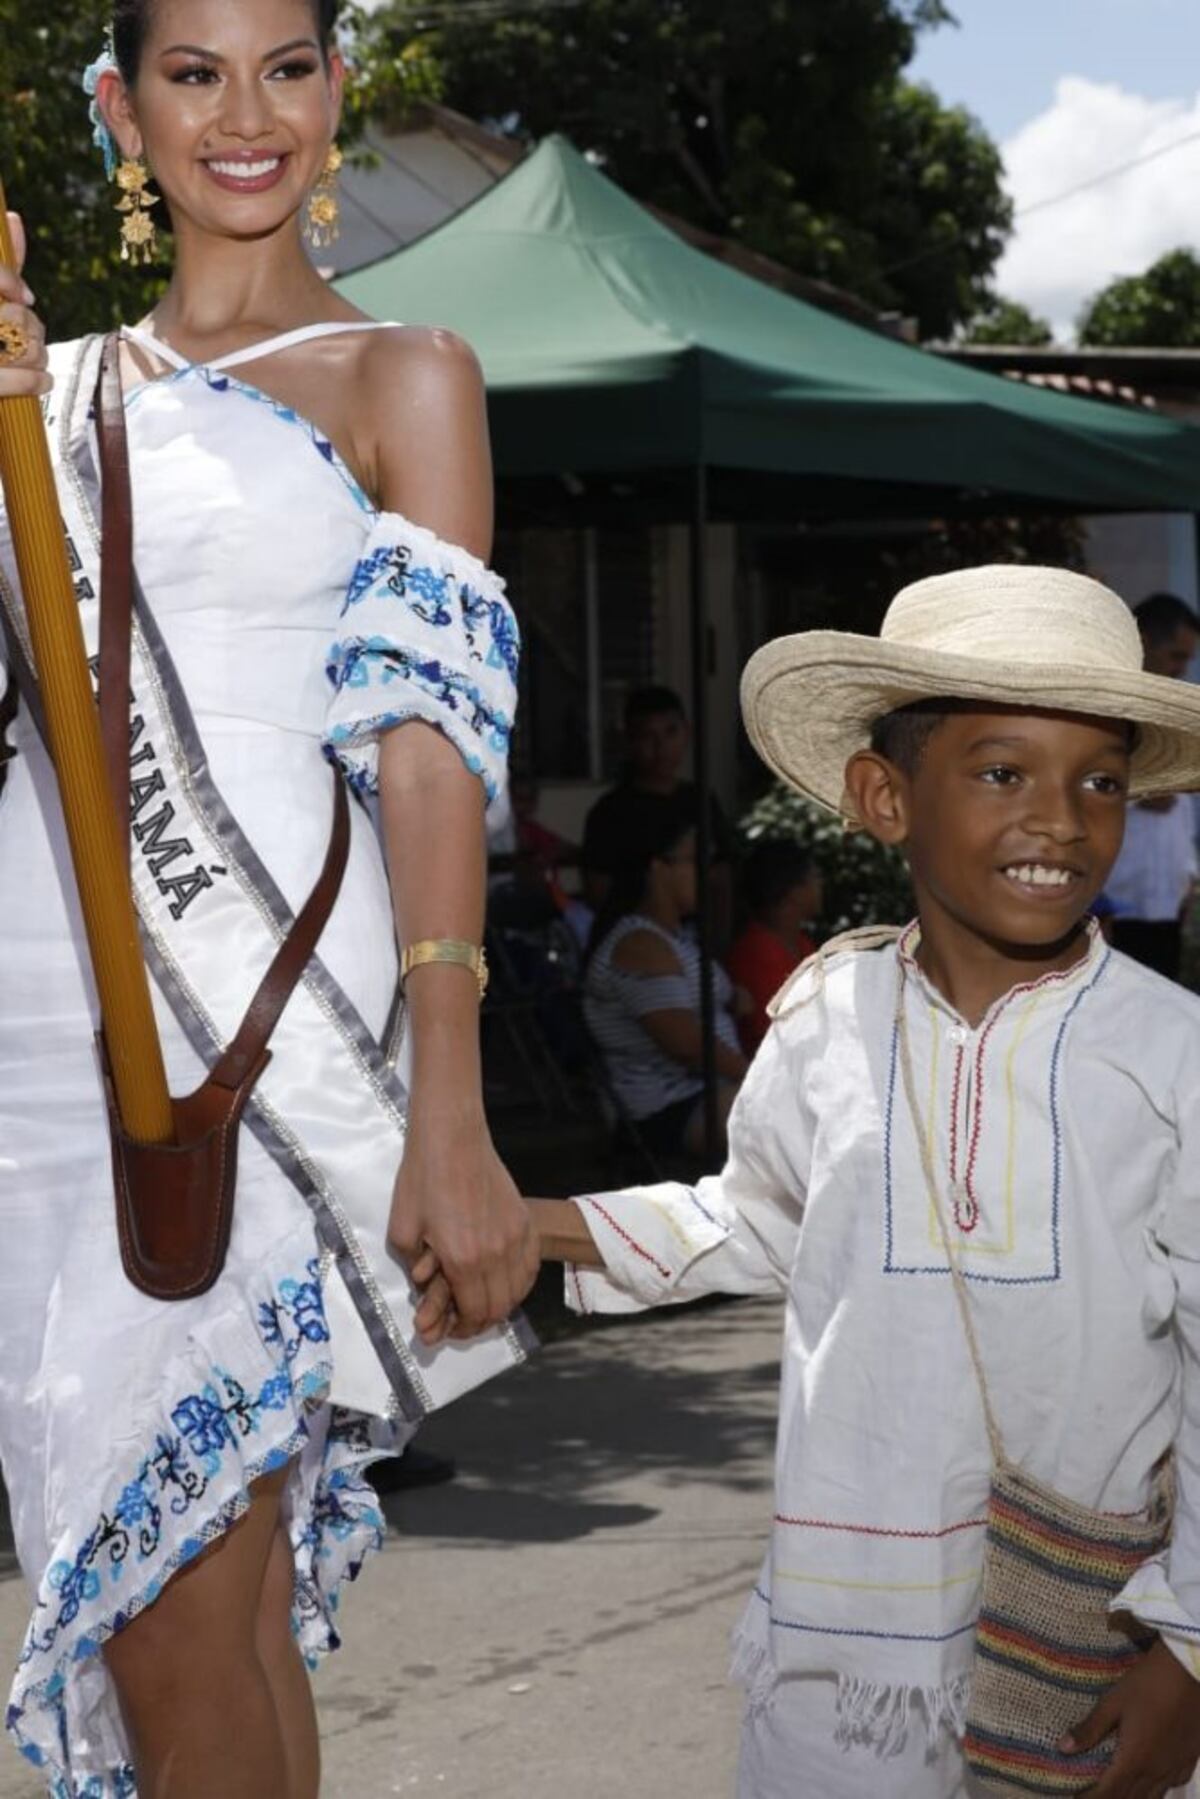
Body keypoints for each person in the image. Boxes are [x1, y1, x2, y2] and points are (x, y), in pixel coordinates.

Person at [0, 3, 539, 1793]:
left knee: (163, 1603)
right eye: (193, 72)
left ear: (331, 91)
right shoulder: (40, 391)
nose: (248, 116)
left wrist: (450, 1117)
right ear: (117, 108)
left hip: (254, 1023)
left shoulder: (407, 372)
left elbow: (430, 748)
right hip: (31, 1029)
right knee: (199, 1603)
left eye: (288, 68)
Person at [526, 566, 1200, 1798]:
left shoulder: (1172, 1052)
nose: (1060, 816)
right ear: (885, 797)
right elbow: (758, 1216)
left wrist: (1192, 1648)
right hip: (845, 1650)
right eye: (1003, 771)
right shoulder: (826, 1015)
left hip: (1095, 1637)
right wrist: (542, 1228)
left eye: (1099, 779)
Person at [584, 802, 747, 1158]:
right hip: (670, 1111)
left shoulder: (675, 936)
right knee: (789, 1114)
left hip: (707, 1096)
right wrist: (757, 1076)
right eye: (694, 861)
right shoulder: (639, 944)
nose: (706, 874)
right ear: (658, 869)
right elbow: (687, 1046)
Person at [581, 684, 736, 929]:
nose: (660, 746)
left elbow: (722, 879)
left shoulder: (701, 801)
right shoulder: (610, 812)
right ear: (630, 741)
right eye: (647, 736)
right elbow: (597, 892)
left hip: (699, 939)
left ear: (687, 732)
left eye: (670, 732)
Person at [1103, 592, 1200, 980]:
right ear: (1143, 641)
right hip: (1116, 904)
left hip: (1167, 905)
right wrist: (1137, 794)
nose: (1181, 669)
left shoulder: (1176, 708)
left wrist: (1189, 871)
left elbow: (1183, 806)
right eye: (1175, 656)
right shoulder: (1106, 704)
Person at [726, 839, 822, 1055]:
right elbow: (774, 1036)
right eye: (815, 878)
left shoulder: (802, 943)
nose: (820, 885)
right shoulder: (753, 953)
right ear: (794, 892)